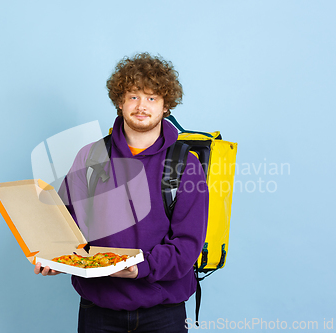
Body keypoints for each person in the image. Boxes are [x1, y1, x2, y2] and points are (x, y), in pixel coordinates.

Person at [34, 53, 208, 333]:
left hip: (163, 311)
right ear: (120, 101)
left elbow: (187, 245)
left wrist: (140, 268)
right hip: (98, 310)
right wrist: (56, 257)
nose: (142, 106)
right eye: (134, 96)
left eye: (152, 98)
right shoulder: (90, 156)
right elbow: (66, 225)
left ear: (166, 107)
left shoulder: (185, 164)